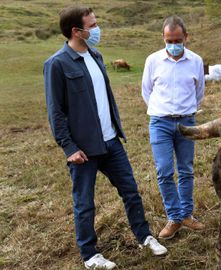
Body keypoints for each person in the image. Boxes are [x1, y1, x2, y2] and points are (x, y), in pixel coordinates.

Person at [43, 6, 167, 270]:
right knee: (85, 204)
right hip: (83, 150)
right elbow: (56, 112)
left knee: (131, 192)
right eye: (93, 24)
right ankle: (90, 255)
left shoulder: (96, 56)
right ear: (77, 31)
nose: (97, 29)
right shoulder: (57, 64)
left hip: (111, 142)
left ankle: (144, 237)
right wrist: (69, 148)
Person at [141, 15, 205, 240]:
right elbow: (146, 91)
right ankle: (174, 217)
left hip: (186, 122)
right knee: (165, 170)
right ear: (163, 38)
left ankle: (187, 214)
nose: (174, 45)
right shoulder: (153, 61)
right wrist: (162, 110)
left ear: (186, 37)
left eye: (178, 40)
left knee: (186, 169)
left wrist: (186, 111)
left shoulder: (196, 61)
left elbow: (199, 93)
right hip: (160, 122)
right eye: (169, 40)